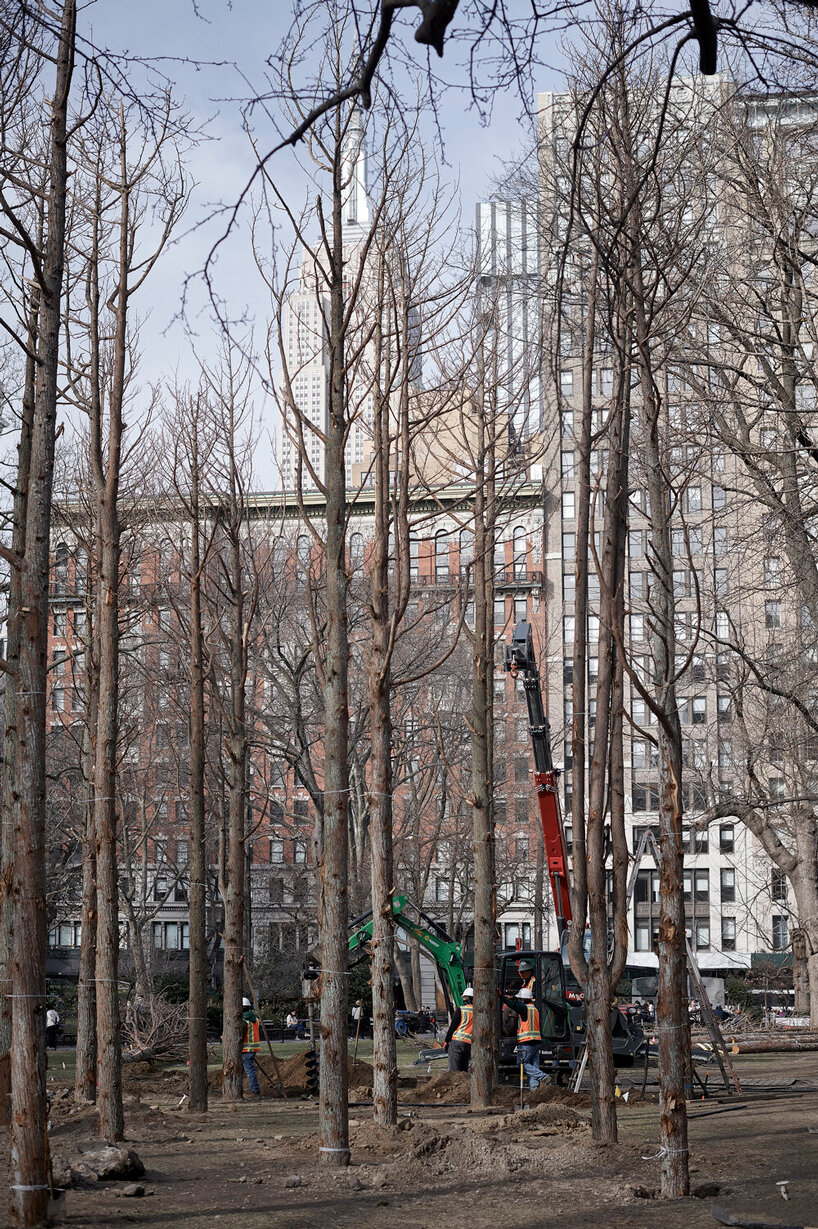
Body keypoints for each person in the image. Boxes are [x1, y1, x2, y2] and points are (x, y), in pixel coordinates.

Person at [503, 986, 548, 1091]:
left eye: (520, 999)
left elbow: (513, 1005)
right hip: (536, 1041)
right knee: (534, 1064)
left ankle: (543, 1077)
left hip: (527, 1041)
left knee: (521, 1062)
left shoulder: (524, 1008)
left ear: (523, 1000)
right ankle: (534, 1088)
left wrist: (503, 997)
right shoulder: (535, 1009)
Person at [444, 987, 473, 1072]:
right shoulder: (479, 1012)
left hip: (456, 1042)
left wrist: (446, 1041)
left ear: (467, 999)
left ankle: (455, 1084)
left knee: (454, 1071)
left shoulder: (462, 1009)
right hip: (469, 1044)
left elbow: (453, 1027)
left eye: (464, 998)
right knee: (464, 1069)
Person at [242, 997, 261, 1098]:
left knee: (249, 1071)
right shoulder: (256, 1019)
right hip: (253, 1049)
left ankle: (255, 1091)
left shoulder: (243, 1020)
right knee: (250, 1070)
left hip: (245, 1049)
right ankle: (253, 1089)